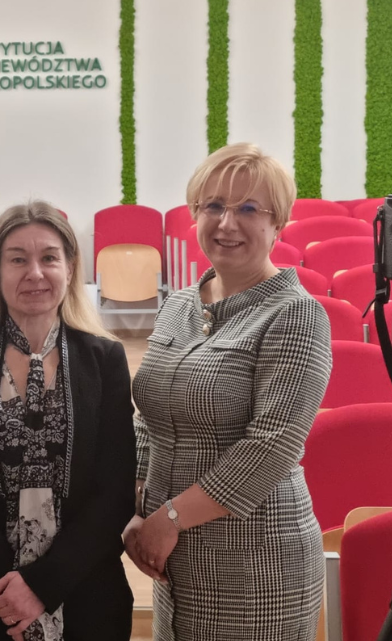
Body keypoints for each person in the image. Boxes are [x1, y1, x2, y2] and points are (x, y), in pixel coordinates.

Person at [124, 142, 332, 641]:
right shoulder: (178, 304)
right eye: (213, 205)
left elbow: (273, 447)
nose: (226, 223)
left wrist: (168, 518)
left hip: (257, 559)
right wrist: (137, 505)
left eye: (247, 209)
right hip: (172, 554)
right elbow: (149, 417)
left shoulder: (296, 314)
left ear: (278, 222)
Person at [0, 201, 136, 641]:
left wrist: (44, 585)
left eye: (49, 258)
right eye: (18, 259)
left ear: (70, 267)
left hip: (87, 591)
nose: (35, 273)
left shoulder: (105, 360)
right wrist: (12, 586)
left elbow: (115, 488)